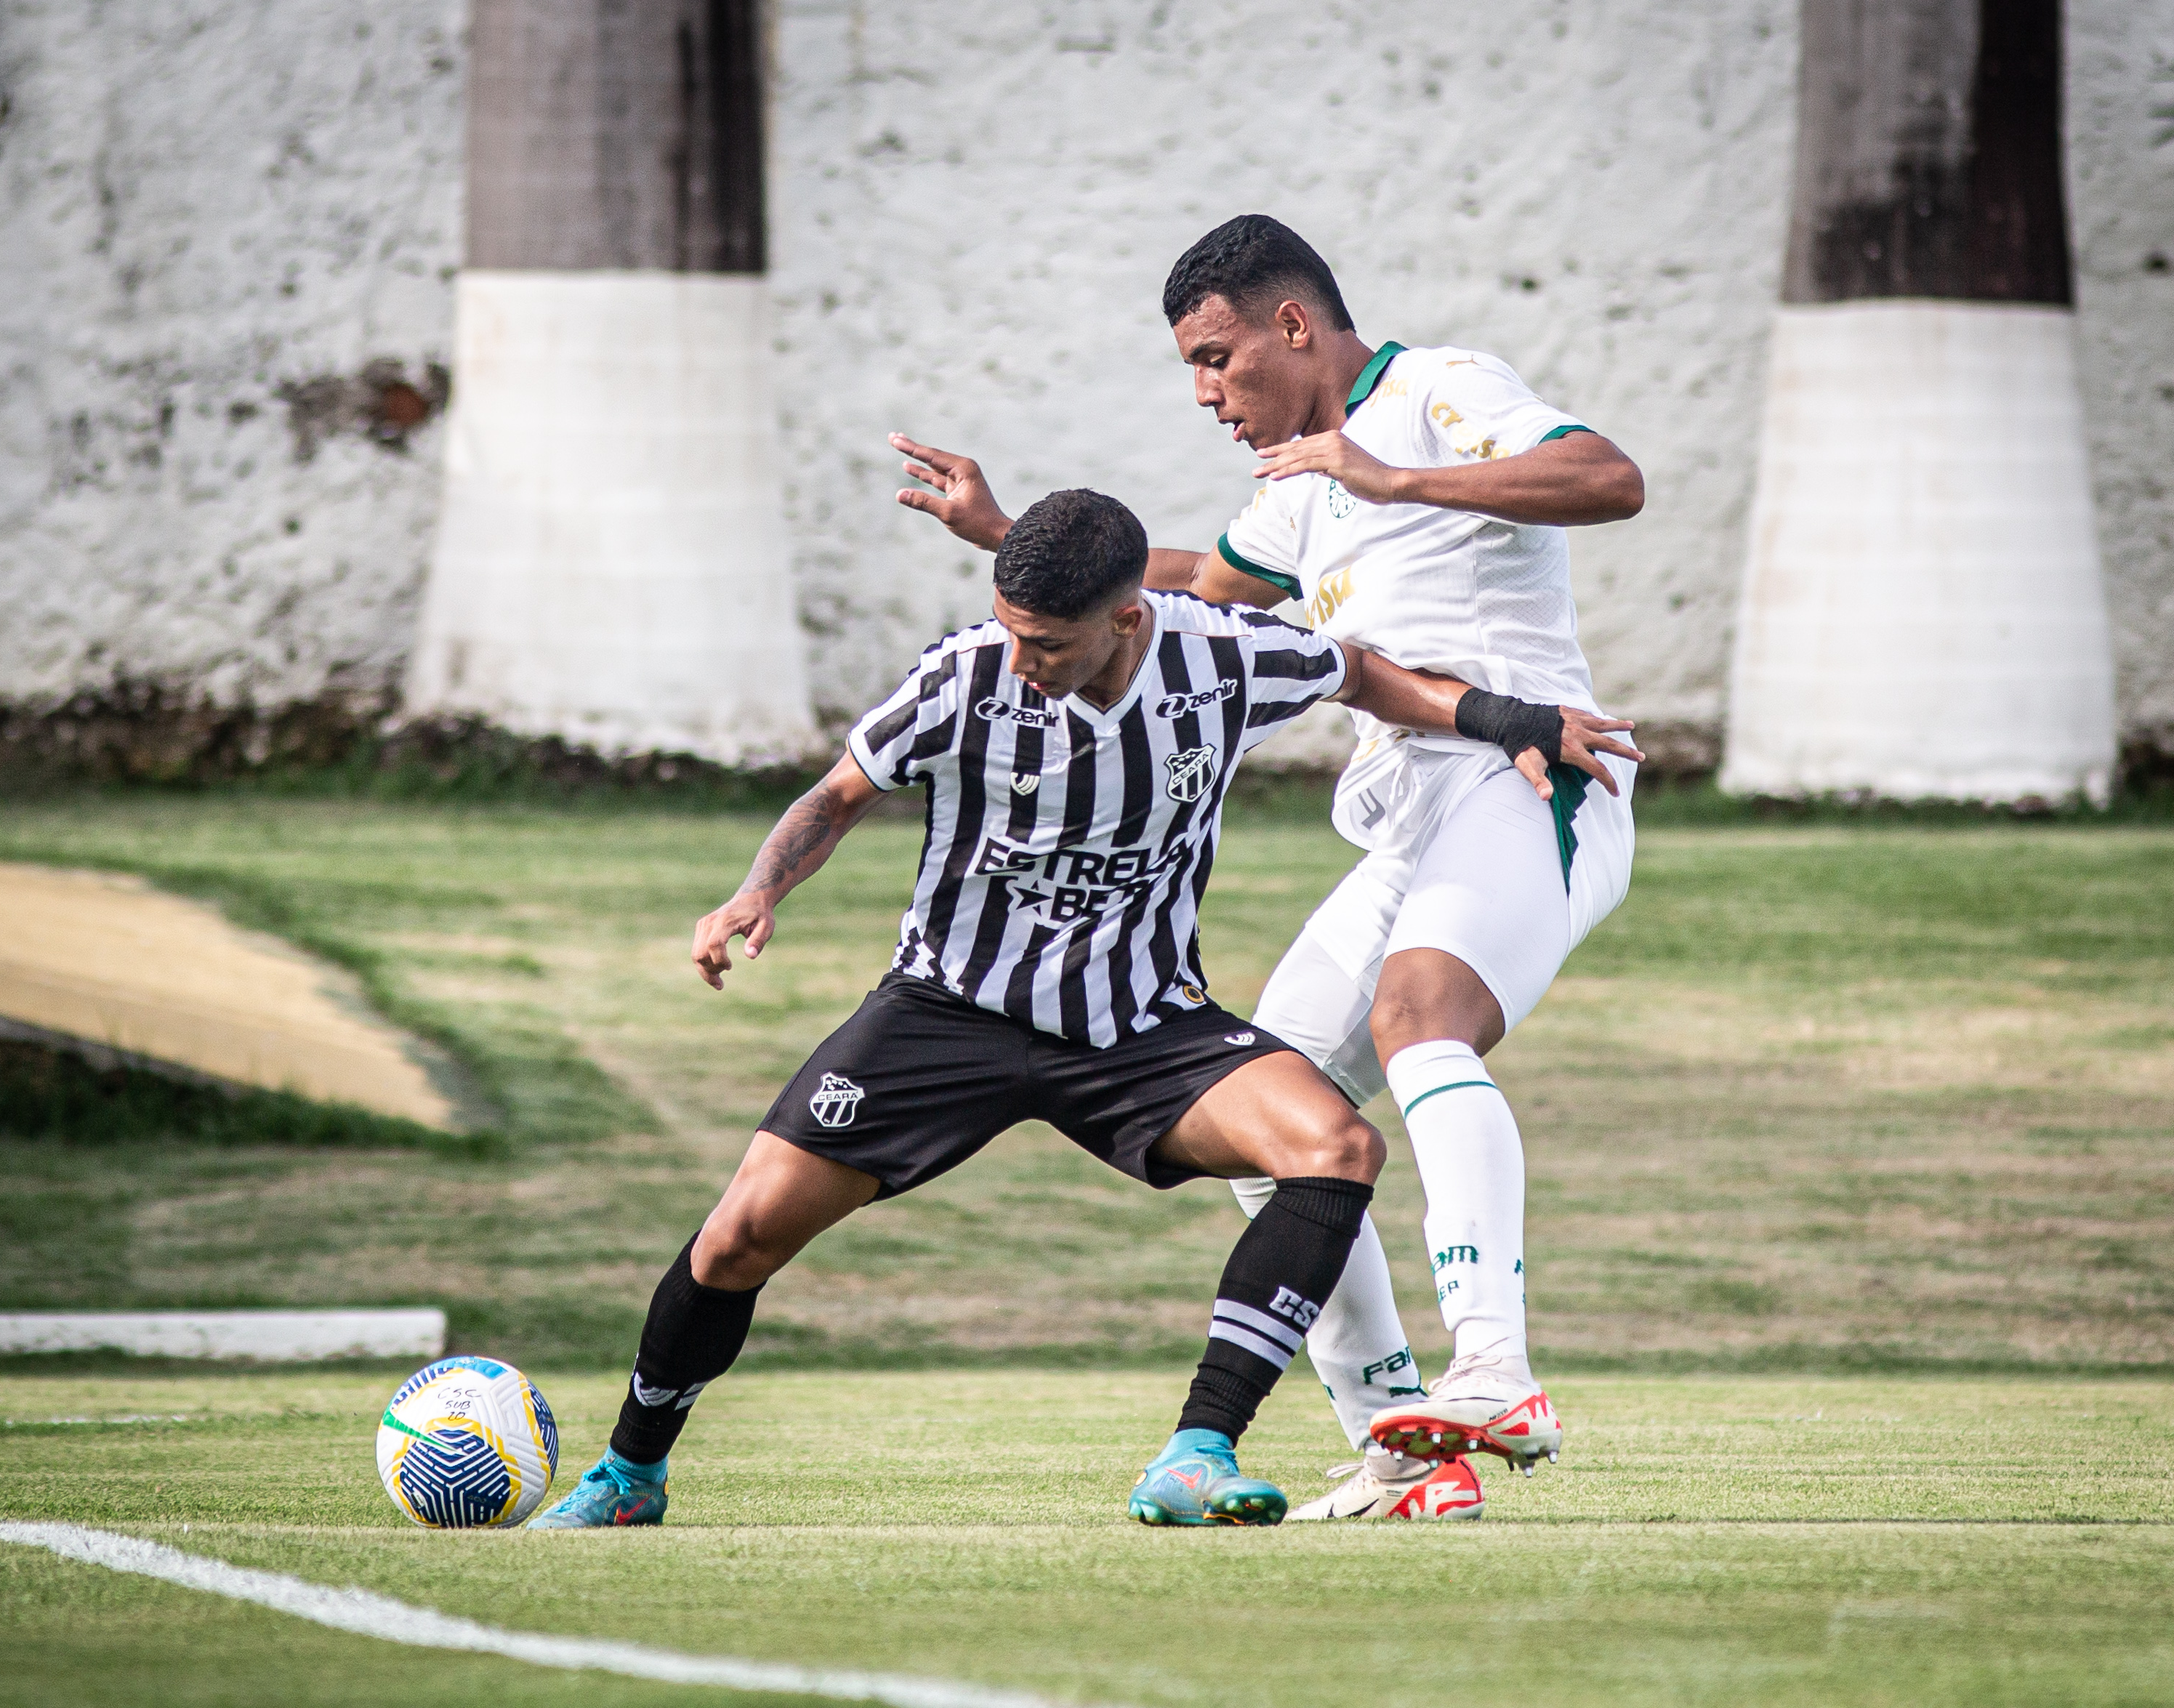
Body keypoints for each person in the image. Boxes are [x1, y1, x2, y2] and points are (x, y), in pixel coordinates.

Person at [531, 488, 1635, 1530]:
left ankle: (1197, 1453)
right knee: (738, 1237)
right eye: (1011, 631)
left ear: (1126, 618)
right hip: (949, 1011)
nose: (1022, 660)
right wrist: (756, 891)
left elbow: (1358, 672)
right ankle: (630, 1471)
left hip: (1140, 1023)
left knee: (1335, 1148)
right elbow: (838, 794)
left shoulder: (1220, 656)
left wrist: (1506, 716)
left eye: (1048, 644)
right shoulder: (963, 676)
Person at [891, 214, 1648, 1522]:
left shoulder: (1436, 392)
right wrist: (1007, 530)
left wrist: (1393, 480)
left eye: (1215, 357)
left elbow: (1608, 477)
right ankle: (1402, 1446)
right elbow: (1202, 583)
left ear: (1291, 325)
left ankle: (1496, 1370)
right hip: (1410, 813)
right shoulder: (1300, 479)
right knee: (1277, 1111)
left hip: (1527, 775)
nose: (1205, 393)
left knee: (1418, 1017)